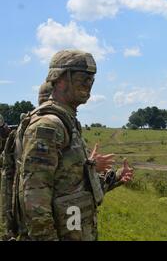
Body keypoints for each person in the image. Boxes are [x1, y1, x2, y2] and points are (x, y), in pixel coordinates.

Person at [15, 50, 133, 241]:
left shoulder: (68, 123)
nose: (89, 84)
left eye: (92, 79)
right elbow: (34, 198)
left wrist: (115, 177)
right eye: (83, 77)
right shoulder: (48, 126)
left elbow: (74, 188)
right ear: (60, 78)